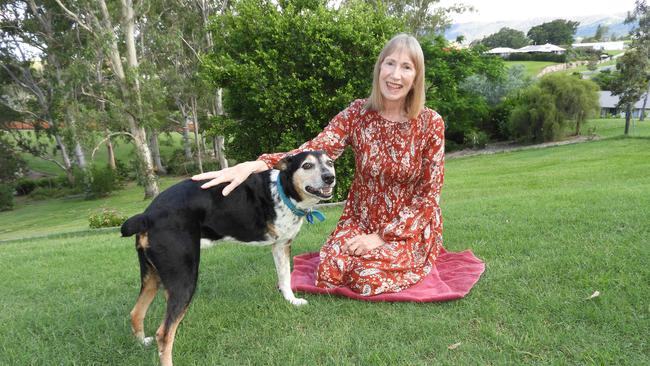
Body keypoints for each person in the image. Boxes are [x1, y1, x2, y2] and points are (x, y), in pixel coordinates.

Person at [192, 33, 445, 296]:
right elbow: (315, 149)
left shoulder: (430, 124)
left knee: (364, 278)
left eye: (406, 67)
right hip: (362, 217)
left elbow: (429, 196)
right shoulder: (358, 113)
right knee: (329, 270)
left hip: (406, 226)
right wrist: (256, 164)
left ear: (416, 77)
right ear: (379, 67)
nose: (395, 75)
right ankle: (368, 252)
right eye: (390, 63)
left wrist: (380, 238)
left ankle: (404, 254)